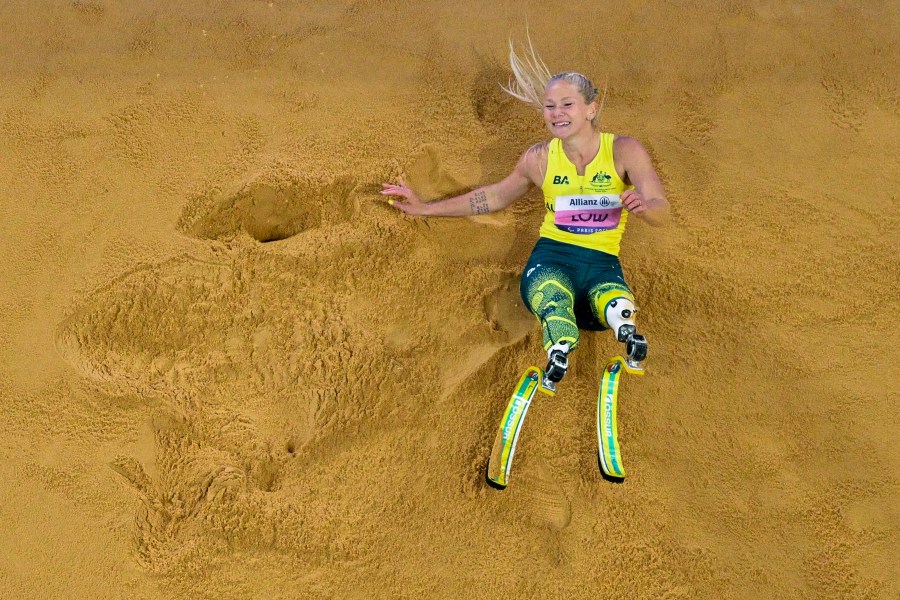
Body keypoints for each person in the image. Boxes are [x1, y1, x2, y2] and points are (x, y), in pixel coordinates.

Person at [381, 42, 669, 391]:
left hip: (601, 264)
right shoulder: (539, 159)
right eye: (549, 106)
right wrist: (425, 207)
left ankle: (627, 329)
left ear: (591, 109)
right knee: (551, 296)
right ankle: (559, 349)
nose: (556, 113)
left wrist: (644, 206)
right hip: (552, 258)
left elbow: (660, 209)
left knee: (610, 297)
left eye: (567, 104)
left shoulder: (624, 151)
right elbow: (494, 197)